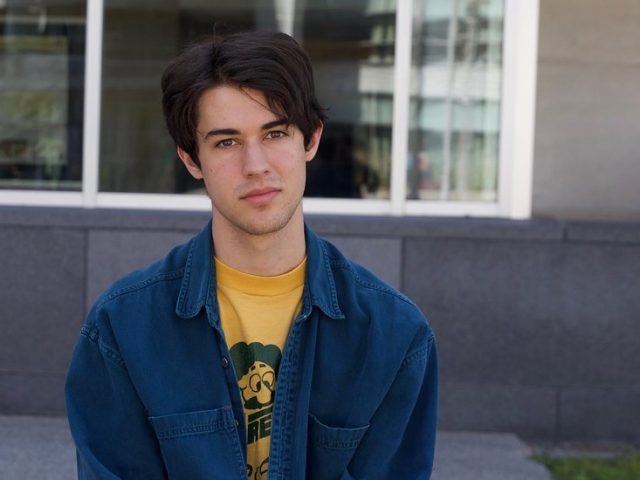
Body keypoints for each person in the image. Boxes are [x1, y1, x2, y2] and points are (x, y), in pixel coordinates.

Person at [65, 31, 438, 480]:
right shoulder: (122, 328)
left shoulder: (393, 336)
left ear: (311, 139)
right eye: (226, 142)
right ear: (191, 159)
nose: (256, 164)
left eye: (275, 133)